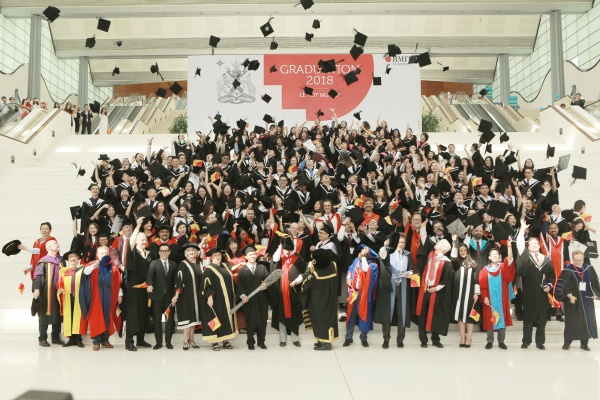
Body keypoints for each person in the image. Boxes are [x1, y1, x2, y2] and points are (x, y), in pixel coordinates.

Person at [516, 219, 555, 350]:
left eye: (535, 244)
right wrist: (522, 230)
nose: (534, 245)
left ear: (539, 246)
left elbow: (551, 275)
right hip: (529, 292)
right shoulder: (526, 256)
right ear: (528, 246)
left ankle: (540, 342)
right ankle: (526, 341)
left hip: (543, 294)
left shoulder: (546, 259)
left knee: (542, 319)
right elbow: (519, 244)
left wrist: (549, 285)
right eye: (531, 243)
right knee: (528, 318)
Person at [555, 250, 600, 351]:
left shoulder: (589, 269)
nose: (578, 262)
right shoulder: (567, 270)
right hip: (573, 301)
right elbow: (561, 287)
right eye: (576, 260)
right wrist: (569, 295)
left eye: (580, 260)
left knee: (586, 322)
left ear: (583, 259)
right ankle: (567, 343)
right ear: (572, 259)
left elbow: (595, 283)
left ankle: (584, 343)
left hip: (587, 301)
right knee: (571, 323)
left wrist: (596, 294)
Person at [79, 246, 122, 351]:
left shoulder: (113, 267)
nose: (104, 255)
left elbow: (118, 282)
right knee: (97, 318)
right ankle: (96, 341)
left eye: (105, 253)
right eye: (101, 253)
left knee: (108, 317)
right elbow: (85, 273)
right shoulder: (92, 265)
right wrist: (94, 265)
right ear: (97, 254)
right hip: (96, 297)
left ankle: (105, 340)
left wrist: (120, 294)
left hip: (109, 297)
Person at [375, 234, 414, 349]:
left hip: (403, 286)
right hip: (390, 287)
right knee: (388, 314)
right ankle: (386, 339)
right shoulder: (389, 253)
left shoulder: (408, 255)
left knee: (402, 314)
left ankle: (400, 339)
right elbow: (381, 255)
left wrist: (408, 274)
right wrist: (384, 246)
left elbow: (411, 269)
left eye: (403, 242)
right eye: (399, 242)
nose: (401, 244)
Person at [415, 239, 453, 348]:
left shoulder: (446, 262)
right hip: (425, 290)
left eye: (440, 243)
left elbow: (446, 279)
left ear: (444, 248)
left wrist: (435, 289)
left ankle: (435, 340)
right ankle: (423, 340)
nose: (437, 243)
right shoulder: (430, 256)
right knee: (422, 316)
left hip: (437, 292)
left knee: (435, 315)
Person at [300, 248, 339, 351]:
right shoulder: (333, 266)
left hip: (318, 302)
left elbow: (304, 285)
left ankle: (326, 344)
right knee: (328, 319)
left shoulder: (315, 275)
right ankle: (322, 340)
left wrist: (308, 269)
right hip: (330, 299)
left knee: (319, 320)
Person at [479, 238, 515, 350]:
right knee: (490, 319)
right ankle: (489, 341)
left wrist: (509, 247)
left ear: (499, 257)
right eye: (492, 254)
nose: (495, 256)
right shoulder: (485, 270)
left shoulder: (503, 267)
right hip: (489, 299)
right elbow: (482, 285)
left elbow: (509, 260)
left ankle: (501, 341)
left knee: (502, 318)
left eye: (497, 254)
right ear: (489, 257)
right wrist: (484, 297)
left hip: (501, 299)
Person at [271, 237, 306, 347]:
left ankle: (295, 338)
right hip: (281, 292)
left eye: (290, 250)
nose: (288, 252)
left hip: (294, 292)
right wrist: (280, 248)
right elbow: (274, 259)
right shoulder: (280, 257)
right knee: (281, 314)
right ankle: (283, 339)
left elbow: (304, 273)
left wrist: (297, 281)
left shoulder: (298, 258)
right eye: (286, 250)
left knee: (295, 314)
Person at [124, 217, 153, 351]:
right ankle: (129, 340)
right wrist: (137, 227)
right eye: (141, 240)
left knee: (143, 314)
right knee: (133, 314)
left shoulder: (148, 254)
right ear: (136, 241)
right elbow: (130, 241)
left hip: (144, 289)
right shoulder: (132, 252)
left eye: (145, 240)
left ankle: (140, 339)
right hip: (134, 289)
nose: (144, 241)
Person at [201, 247, 239, 350]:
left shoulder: (224, 266)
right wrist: (209, 297)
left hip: (227, 299)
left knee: (225, 318)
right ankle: (214, 342)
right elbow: (206, 285)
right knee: (215, 319)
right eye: (215, 256)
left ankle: (225, 340)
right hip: (216, 299)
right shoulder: (209, 269)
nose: (218, 257)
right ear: (211, 257)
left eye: (219, 255)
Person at [236, 246, 270, 350]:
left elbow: (268, 280)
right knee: (250, 322)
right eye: (250, 255)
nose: (252, 256)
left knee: (262, 321)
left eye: (254, 254)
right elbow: (239, 286)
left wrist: (266, 285)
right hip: (249, 300)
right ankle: (250, 342)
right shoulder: (242, 271)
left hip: (261, 299)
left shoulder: (262, 268)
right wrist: (242, 296)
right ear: (246, 257)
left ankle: (261, 342)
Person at [344, 246, 379, 347]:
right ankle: (348, 338)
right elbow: (350, 270)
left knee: (364, 317)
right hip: (353, 292)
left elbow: (365, 269)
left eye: (362, 253)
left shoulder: (373, 266)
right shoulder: (356, 261)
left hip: (364, 295)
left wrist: (363, 256)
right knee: (351, 316)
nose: (359, 254)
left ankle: (363, 338)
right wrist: (348, 278)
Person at [32, 239, 64, 347]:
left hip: (59, 292)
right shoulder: (43, 261)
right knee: (45, 314)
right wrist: (36, 289)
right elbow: (37, 276)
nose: (58, 244)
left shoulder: (61, 260)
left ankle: (55, 337)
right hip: (46, 293)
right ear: (49, 247)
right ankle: (42, 338)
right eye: (56, 243)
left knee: (58, 314)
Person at [147, 243, 178, 350]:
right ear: (159, 252)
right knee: (157, 320)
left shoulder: (174, 265)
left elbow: (176, 281)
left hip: (169, 298)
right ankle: (158, 343)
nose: (164, 253)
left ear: (169, 252)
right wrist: (149, 285)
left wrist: (175, 295)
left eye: (166, 251)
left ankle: (168, 342)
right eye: (162, 251)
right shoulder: (154, 264)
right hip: (157, 297)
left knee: (169, 321)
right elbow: (149, 277)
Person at [172, 242, 203, 350]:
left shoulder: (199, 263)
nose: (191, 252)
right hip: (186, 296)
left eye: (193, 250)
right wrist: (176, 295)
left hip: (196, 296)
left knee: (193, 320)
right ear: (186, 253)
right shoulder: (183, 264)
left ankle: (192, 340)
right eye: (189, 250)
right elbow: (179, 280)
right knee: (187, 320)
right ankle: (185, 341)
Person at [450, 237, 479, 348]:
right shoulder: (456, 263)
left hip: (470, 293)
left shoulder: (473, 263)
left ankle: (469, 337)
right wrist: (454, 244)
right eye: (460, 250)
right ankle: (462, 337)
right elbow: (452, 258)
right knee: (460, 315)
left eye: (464, 250)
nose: (462, 252)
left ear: (467, 251)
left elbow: (476, 279)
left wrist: (476, 293)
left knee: (469, 316)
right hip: (459, 293)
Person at [58, 250, 86, 348]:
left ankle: (78, 339)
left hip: (79, 297)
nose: (72, 259)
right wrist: (60, 289)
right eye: (70, 257)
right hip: (68, 297)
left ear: (78, 258)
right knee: (69, 316)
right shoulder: (64, 271)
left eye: (74, 256)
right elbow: (60, 282)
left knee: (78, 317)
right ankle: (71, 339)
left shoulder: (83, 269)